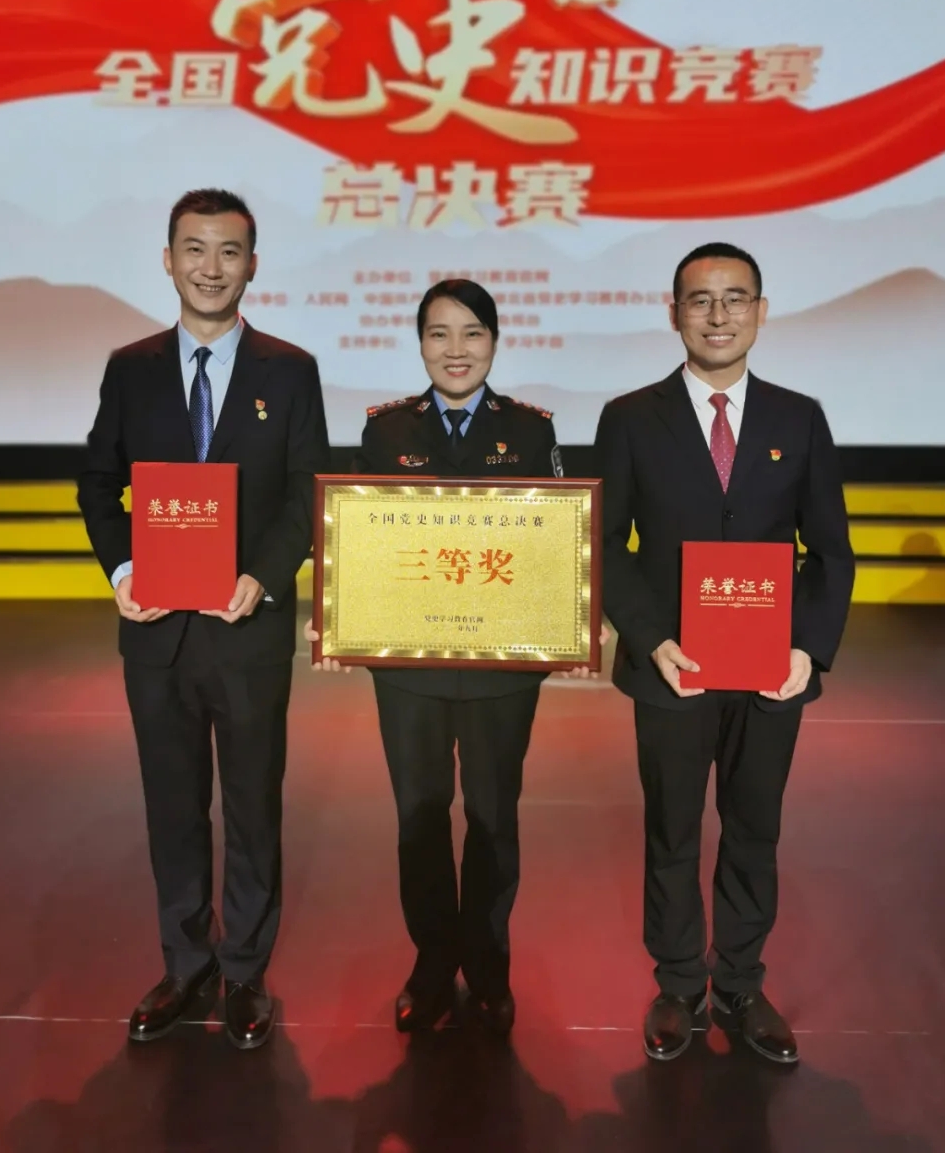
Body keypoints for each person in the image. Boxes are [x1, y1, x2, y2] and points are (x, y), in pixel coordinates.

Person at [78, 188, 329, 1051]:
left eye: (229, 251)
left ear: (253, 265)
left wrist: (263, 576)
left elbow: (305, 494)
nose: (211, 267)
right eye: (195, 248)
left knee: (253, 805)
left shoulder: (289, 371)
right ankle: (186, 963)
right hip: (156, 632)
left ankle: (246, 971)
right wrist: (122, 569)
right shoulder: (131, 368)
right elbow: (97, 484)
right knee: (172, 807)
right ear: (168, 259)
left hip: (246, 628)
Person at [309, 279, 595, 1036]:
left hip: (503, 667)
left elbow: (557, 544)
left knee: (494, 817)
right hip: (410, 666)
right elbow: (360, 542)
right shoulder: (385, 430)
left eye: (472, 333)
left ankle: (489, 965)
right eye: (439, 334)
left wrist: (571, 626)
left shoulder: (530, 430)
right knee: (419, 815)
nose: (456, 350)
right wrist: (339, 619)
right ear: (420, 343)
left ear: (495, 342)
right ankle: (433, 962)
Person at [594, 242, 854, 1066]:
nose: (718, 315)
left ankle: (739, 981)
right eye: (700, 300)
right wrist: (650, 638)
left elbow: (832, 550)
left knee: (753, 827)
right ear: (673, 311)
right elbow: (607, 544)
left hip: (771, 672)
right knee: (672, 829)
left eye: (735, 298)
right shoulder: (630, 417)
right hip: (671, 667)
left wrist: (809, 650)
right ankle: (678, 984)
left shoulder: (798, 417)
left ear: (761, 311)